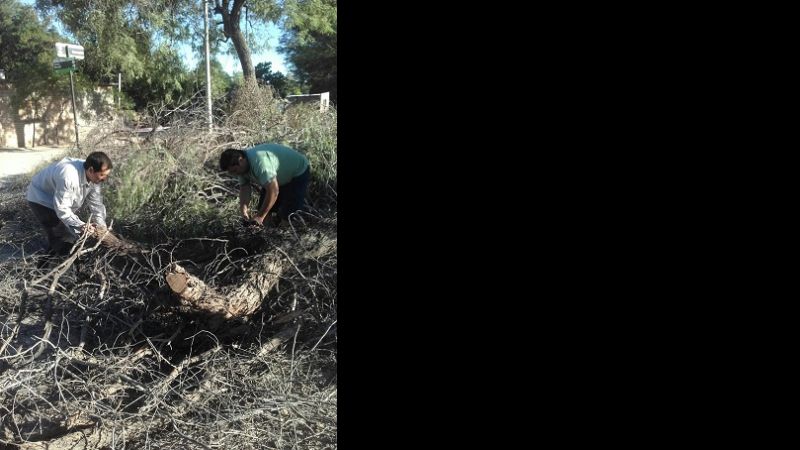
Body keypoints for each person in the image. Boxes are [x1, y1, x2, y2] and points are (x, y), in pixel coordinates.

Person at [26, 151, 113, 256]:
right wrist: (82, 225)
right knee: (61, 237)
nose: (105, 179)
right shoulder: (69, 176)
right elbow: (62, 209)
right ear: (91, 170)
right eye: (102, 175)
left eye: (106, 175)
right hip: (40, 198)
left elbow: (97, 205)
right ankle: (63, 266)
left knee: (66, 236)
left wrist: (102, 228)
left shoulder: (95, 178)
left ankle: (44, 266)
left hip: (57, 200)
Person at [219, 143, 311, 227]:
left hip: (298, 173)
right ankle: (267, 235)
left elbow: (273, 191)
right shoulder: (241, 169)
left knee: (288, 215)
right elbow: (244, 188)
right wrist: (244, 210)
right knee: (264, 211)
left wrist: (260, 217)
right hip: (276, 178)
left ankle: (285, 239)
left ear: (241, 160)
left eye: (234, 171)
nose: (235, 174)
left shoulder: (260, 163)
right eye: (232, 172)